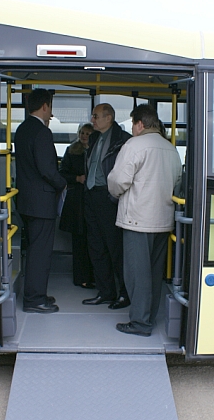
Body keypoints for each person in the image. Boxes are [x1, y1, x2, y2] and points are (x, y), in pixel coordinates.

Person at [107, 104, 182, 336]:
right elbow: (178, 180)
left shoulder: (134, 144)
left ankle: (140, 323)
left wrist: (115, 195)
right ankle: (149, 316)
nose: (132, 128)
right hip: (163, 218)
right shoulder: (171, 149)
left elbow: (118, 180)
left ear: (140, 124)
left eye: (132, 124)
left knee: (137, 275)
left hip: (138, 220)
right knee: (154, 272)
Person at [14, 88, 67, 313]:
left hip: (26, 200)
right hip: (42, 203)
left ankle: (36, 293)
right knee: (40, 253)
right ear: (45, 106)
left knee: (34, 249)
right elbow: (47, 170)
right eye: (50, 107)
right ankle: (34, 299)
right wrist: (62, 183)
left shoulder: (22, 129)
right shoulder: (42, 132)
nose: (50, 112)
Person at [82, 103, 131, 309]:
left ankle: (124, 294)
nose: (92, 120)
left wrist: (113, 196)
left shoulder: (123, 139)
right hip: (91, 195)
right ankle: (105, 292)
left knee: (115, 248)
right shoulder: (94, 138)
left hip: (109, 197)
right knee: (96, 246)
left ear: (109, 117)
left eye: (96, 116)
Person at [59, 123, 95, 289]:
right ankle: (80, 277)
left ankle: (94, 276)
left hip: (92, 200)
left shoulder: (97, 150)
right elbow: (62, 173)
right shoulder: (71, 150)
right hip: (77, 202)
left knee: (93, 241)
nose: (84, 136)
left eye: (88, 133)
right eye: (82, 133)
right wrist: (76, 179)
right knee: (79, 242)